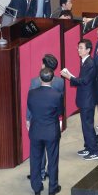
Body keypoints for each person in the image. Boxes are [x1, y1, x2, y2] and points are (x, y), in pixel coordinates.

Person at [61, 39, 98, 160]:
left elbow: (84, 81)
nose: (79, 50)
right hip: (85, 98)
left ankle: (95, 151)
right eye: (78, 47)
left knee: (88, 125)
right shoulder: (85, 61)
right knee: (85, 125)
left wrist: (68, 76)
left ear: (88, 50)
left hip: (88, 100)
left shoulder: (90, 63)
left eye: (81, 48)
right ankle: (88, 147)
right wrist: (72, 77)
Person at [26, 54, 64, 182]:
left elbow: (30, 103)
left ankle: (40, 172)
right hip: (53, 121)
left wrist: (28, 119)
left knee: (38, 150)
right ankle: (50, 174)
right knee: (52, 151)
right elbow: (60, 103)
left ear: (44, 66)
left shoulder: (35, 82)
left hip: (37, 121)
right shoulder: (60, 81)